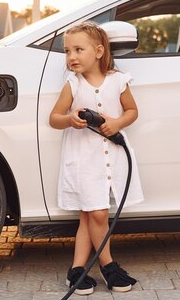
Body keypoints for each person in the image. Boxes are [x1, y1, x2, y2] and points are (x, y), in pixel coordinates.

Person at [49, 21, 144, 295]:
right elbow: (54, 118)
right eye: (67, 51)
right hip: (84, 159)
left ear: (99, 51)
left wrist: (117, 123)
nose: (72, 57)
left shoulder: (118, 80)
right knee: (98, 213)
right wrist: (69, 119)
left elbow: (132, 111)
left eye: (79, 49)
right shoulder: (73, 84)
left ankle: (76, 270)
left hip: (110, 157)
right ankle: (108, 265)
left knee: (88, 216)